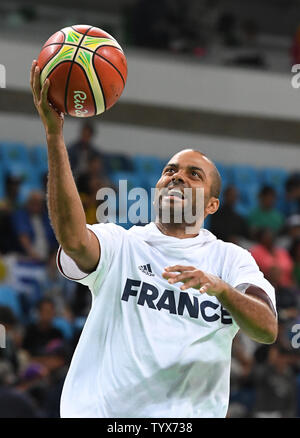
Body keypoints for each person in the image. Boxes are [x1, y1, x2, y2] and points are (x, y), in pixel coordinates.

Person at [30, 60, 277, 418]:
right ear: (158, 186)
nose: (177, 177)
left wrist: (222, 290)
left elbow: (267, 329)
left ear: (211, 204)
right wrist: (54, 136)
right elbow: (73, 240)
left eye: (194, 174)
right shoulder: (122, 244)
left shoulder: (231, 260)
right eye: (170, 170)